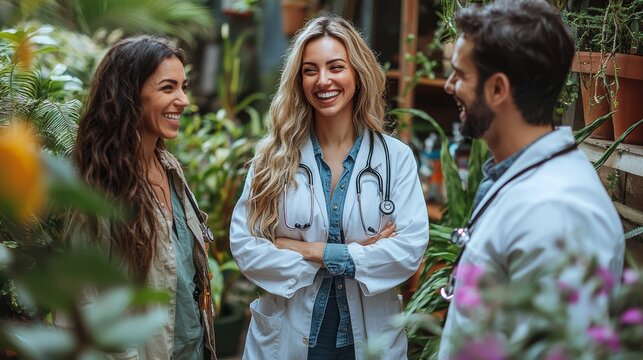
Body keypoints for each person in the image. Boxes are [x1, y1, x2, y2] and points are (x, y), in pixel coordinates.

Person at [230, 14, 429, 359]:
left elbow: (408, 251)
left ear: (357, 72)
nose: (323, 81)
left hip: (367, 341)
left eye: (336, 67)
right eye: (310, 70)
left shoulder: (396, 158)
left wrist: (309, 250)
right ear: (298, 79)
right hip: (287, 337)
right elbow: (246, 246)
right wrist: (358, 254)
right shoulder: (273, 158)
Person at [437, 0, 625, 358]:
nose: (448, 86)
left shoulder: (558, 212)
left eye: (460, 74)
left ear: (497, 89)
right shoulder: (521, 177)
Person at [64, 35, 216, 359]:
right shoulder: (98, 187)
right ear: (130, 94)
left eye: (183, 87)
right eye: (167, 88)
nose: (183, 100)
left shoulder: (169, 168)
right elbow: (83, 303)